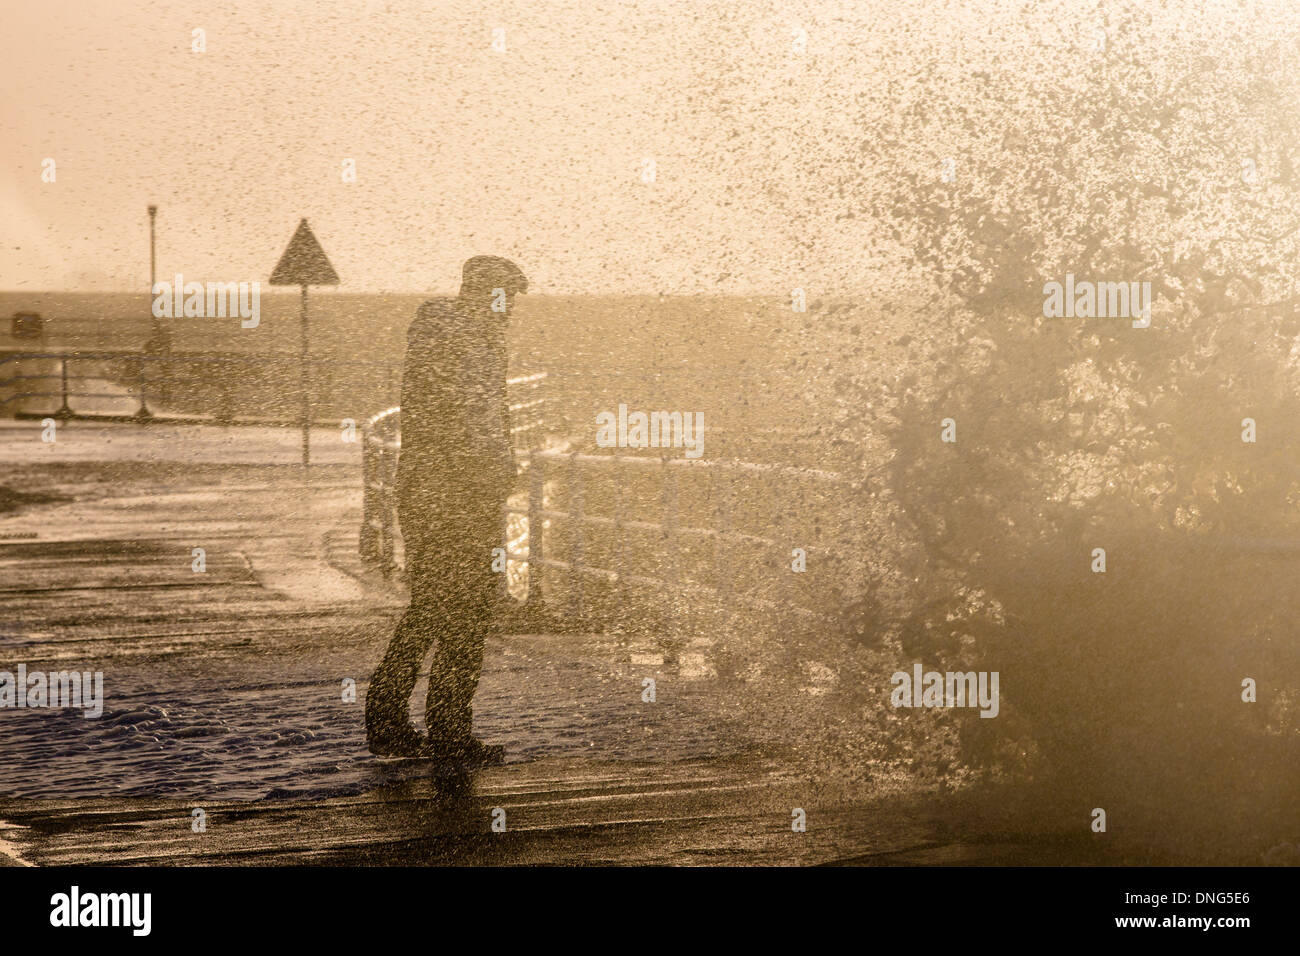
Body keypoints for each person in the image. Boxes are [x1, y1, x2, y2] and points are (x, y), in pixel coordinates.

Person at [365, 255, 527, 762]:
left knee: (433, 605)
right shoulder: (472, 341)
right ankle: (448, 731)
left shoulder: (443, 334)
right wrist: (502, 468)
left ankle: (390, 718)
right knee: (469, 610)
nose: (511, 310)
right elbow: (473, 417)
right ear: (488, 294)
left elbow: (461, 414)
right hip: (460, 493)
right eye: (508, 297)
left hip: (427, 490)